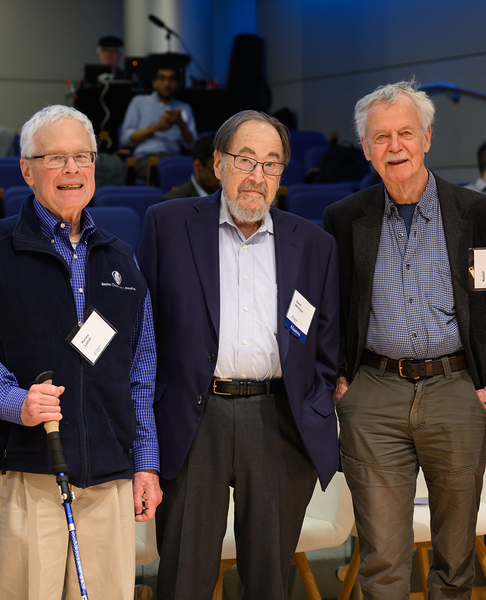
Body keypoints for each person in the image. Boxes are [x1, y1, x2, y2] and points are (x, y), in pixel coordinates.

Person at [322, 79, 486, 599]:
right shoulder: (343, 221)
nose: (394, 147)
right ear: (365, 149)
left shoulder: (483, 216)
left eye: (405, 133)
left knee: (455, 559)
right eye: (380, 137)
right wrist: (342, 383)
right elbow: (329, 312)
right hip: (373, 393)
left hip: (458, 391)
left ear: (427, 138)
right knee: (383, 558)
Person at [137, 110, 340, 600]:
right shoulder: (168, 224)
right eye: (245, 160)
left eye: (271, 165)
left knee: (269, 579)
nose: (257, 177)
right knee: (184, 576)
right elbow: (143, 332)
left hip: (278, 422)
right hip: (192, 420)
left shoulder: (314, 244)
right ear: (218, 163)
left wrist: (314, 406)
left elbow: (327, 346)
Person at [0, 104, 161, 600]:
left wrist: (146, 463)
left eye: (82, 156)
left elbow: (139, 372)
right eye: (55, 158)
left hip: (109, 478)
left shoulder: (121, 256)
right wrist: (15, 401)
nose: (72, 170)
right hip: (23, 473)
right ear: (27, 170)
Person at [120, 63, 196, 181]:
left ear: (177, 84)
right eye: (162, 78)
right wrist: (155, 128)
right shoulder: (139, 102)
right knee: (162, 171)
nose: (167, 84)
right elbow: (126, 139)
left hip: (173, 159)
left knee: (187, 170)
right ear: (154, 82)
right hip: (145, 158)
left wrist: (181, 123)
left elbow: (192, 145)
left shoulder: (183, 108)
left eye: (171, 79)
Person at [159, 134, 219, 201]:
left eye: (225, 173)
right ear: (198, 166)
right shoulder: (172, 201)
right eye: (215, 172)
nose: (221, 179)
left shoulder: (229, 199)